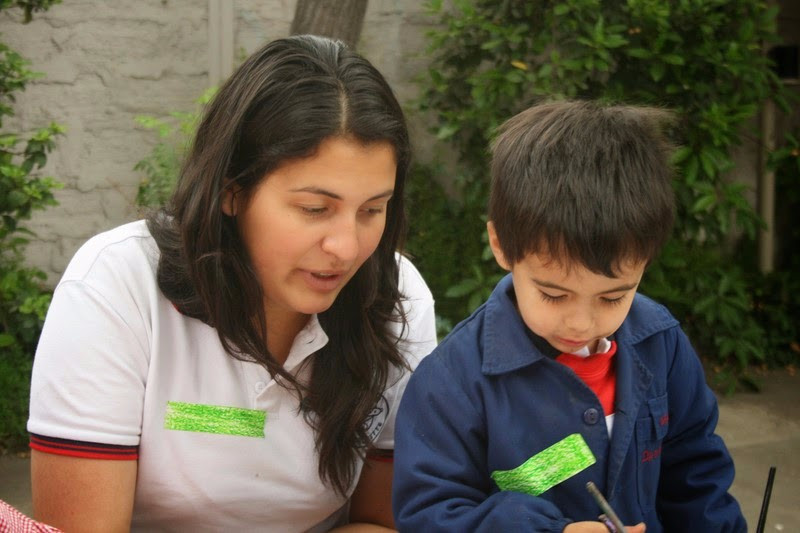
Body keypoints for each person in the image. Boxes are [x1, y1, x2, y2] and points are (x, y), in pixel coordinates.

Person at [28, 34, 437, 532]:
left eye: (372, 210)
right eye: (314, 209)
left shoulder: (395, 299)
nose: (347, 248)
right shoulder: (117, 286)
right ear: (231, 191)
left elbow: (384, 521)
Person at [392, 100, 746, 532]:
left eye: (613, 297)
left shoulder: (661, 344)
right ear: (501, 245)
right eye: (554, 295)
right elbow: (429, 515)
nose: (581, 324)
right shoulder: (451, 384)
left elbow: (696, 475)